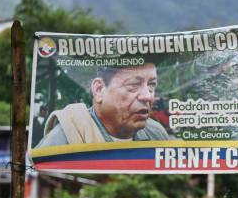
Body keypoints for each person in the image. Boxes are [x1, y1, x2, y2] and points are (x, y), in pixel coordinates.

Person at [36, 63, 169, 147]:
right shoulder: (68, 135)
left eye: (151, 85)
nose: (148, 96)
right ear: (99, 90)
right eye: (133, 85)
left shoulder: (156, 134)